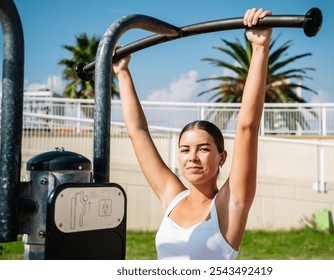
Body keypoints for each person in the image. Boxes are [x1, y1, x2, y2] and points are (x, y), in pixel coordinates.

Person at [113, 7, 272, 260]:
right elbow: (138, 132)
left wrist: (260, 48)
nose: (192, 157)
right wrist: (122, 73)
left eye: (204, 149)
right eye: (185, 150)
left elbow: (247, 128)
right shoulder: (172, 197)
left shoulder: (229, 204)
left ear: (222, 157)